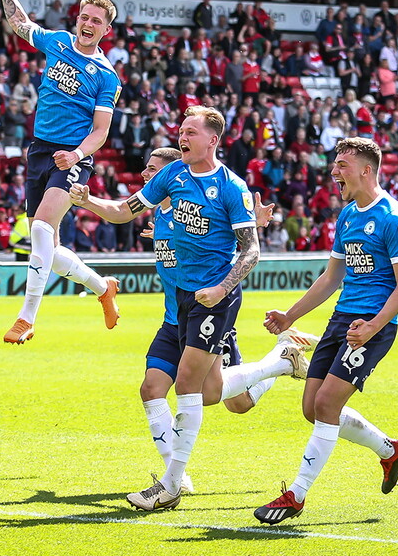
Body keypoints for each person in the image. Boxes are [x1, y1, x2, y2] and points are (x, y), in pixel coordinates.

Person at [70, 106, 260, 511]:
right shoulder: (172, 176)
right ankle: (282, 360)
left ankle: (170, 486)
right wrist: (89, 203)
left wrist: (222, 287)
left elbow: (251, 251)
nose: (183, 136)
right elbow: (125, 211)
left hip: (214, 298)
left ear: (213, 139)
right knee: (158, 388)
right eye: (181, 130)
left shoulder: (231, 187)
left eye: (191, 131)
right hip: (180, 303)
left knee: (193, 388)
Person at [253, 137, 398, 525]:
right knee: (312, 409)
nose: (335, 171)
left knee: (327, 406)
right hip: (342, 320)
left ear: (366, 169)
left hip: (371, 325)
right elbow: (332, 277)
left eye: (343, 164)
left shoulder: (395, 217)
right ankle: (390, 450)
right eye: (335, 164)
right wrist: (290, 316)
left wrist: (374, 326)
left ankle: (296, 495)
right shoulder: (347, 216)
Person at [0, 0, 122, 344]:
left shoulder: (106, 76)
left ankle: (26, 316)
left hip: (72, 156)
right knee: (48, 246)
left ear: (106, 30)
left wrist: (77, 155)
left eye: (97, 20)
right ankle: (102, 287)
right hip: (40, 151)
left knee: (43, 228)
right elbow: (20, 24)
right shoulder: (59, 42)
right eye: (85, 16)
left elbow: (100, 132)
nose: (88, 23)